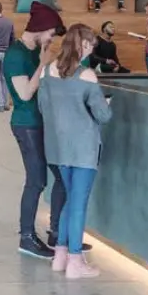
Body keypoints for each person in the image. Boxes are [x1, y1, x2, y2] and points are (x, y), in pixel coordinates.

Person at [37, 23, 111, 279]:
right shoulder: (87, 76)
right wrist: (105, 103)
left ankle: (60, 255)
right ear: (85, 44)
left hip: (58, 147)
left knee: (70, 199)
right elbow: (103, 115)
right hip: (83, 148)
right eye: (91, 46)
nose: (91, 50)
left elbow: (42, 107)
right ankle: (76, 260)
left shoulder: (47, 72)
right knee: (79, 203)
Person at [5, 1, 68, 259]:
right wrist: (42, 64)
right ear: (41, 28)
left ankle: (57, 231)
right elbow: (24, 93)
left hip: (41, 121)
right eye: (51, 33)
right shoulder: (16, 55)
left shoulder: (32, 52)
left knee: (61, 176)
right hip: (26, 123)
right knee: (37, 180)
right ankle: (27, 236)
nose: (52, 39)